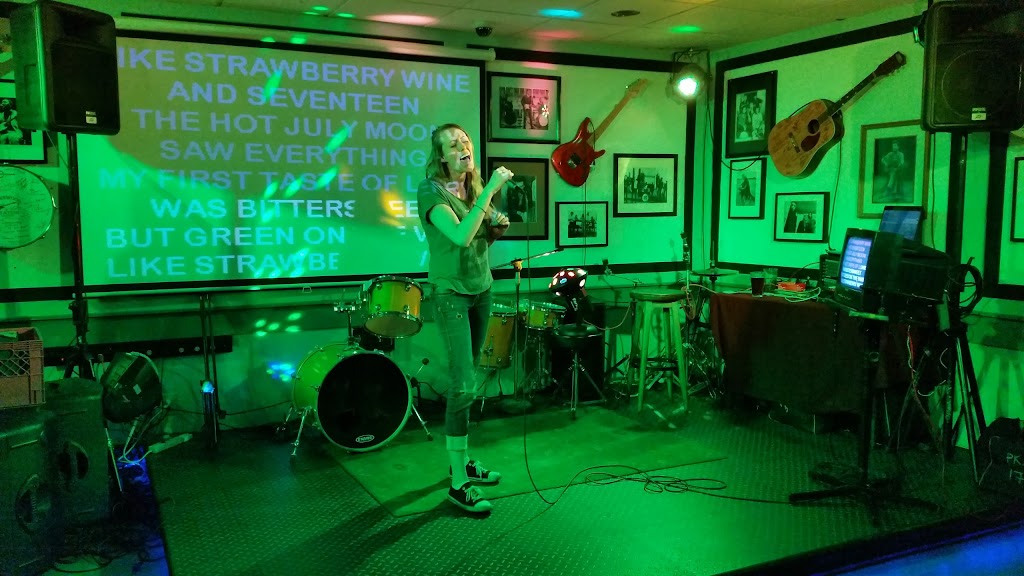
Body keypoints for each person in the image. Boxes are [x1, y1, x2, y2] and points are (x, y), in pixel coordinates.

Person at [417, 123, 512, 514]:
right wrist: (489, 192)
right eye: (454, 145)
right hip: (450, 293)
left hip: (481, 289)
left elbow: (478, 235)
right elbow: (458, 237)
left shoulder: (473, 188)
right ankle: (458, 484)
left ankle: (464, 460)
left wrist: (496, 227)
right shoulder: (431, 191)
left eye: (466, 141)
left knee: (469, 381)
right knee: (463, 385)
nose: (464, 148)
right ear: (442, 156)